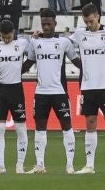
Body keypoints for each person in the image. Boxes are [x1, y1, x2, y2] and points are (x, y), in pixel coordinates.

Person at [72, 4, 105, 176]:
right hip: (87, 87)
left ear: (98, 16)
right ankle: (89, 165)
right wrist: (39, 35)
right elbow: (64, 43)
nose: (89, 25)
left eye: (92, 21)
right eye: (86, 22)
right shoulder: (80, 34)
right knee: (90, 123)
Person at [26, 9, 77, 174]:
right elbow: (28, 64)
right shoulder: (34, 43)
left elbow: (77, 61)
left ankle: (70, 165)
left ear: (55, 23)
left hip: (59, 92)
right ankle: (40, 164)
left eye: (49, 23)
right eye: (43, 24)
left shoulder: (64, 42)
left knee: (67, 126)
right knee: (40, 128)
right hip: (41, 92)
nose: (46, 26)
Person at [0, 18, 32, 174]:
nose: (6, 39)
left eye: (8, 37)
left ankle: (20, 166)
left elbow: (32, 57)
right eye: (3, 37)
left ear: (13, 33)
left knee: (21, 128)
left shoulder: (23, 43)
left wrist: (20, 70)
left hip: (16, 90)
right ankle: (0, 166)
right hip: (0, 90)